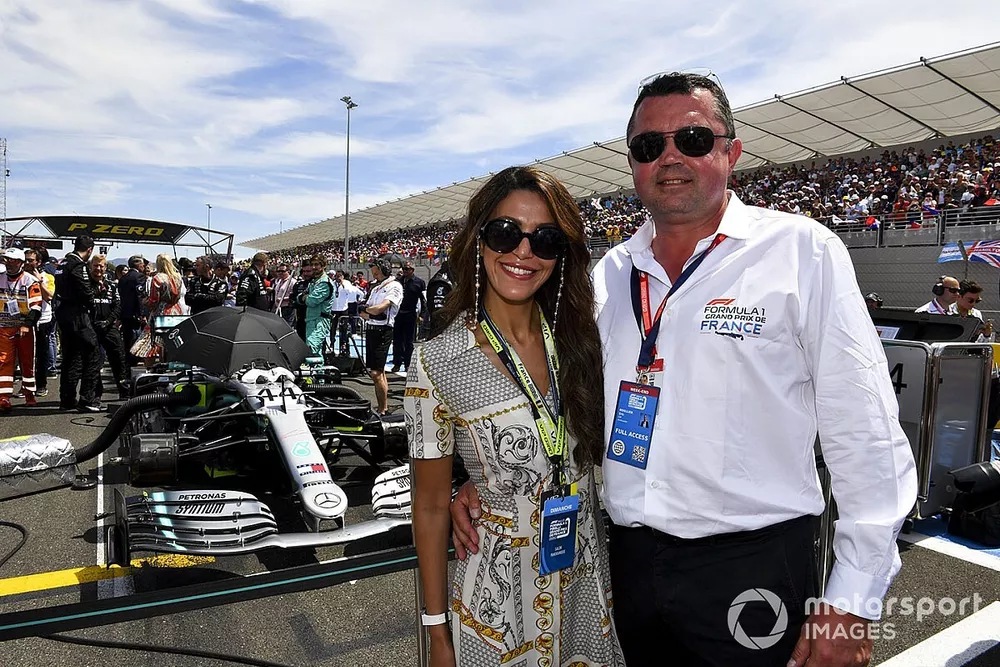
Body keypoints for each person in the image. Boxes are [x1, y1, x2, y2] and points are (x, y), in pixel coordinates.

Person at [452, 72, 917, 667]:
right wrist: (493, 476)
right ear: (634, 164)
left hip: (751, 563)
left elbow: (867, 433)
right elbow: (573, 410)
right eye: (650, 146)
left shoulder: (804, 251)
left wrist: (852, 601)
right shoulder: (610, 274)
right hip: (626, 563)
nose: (670, 157)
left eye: (693, 139)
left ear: (732, 151)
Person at [407, 166, 622, 667]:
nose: (523, 252)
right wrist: (437, 636)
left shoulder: (584, 343)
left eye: (544, 239)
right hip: (497, 610)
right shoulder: (436, 361)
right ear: (478, 240)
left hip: (586, 593)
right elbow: (432, 507)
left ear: (562, 254)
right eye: (506, 233)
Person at [56, 235, 101, 412]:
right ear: (89, 250)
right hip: (78, 315)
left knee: (70, 358)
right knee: (92, 354)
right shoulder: (78, 265)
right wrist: (93, 310)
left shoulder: (62, 264)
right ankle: (87, 400)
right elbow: (85, 291)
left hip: (63, 313)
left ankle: (67, 400)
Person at [0, 248, 42, 411]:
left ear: (21, 263)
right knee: (3, 362)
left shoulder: (30, 281)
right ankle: (3, 397)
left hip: (24, 328)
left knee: (27, 362)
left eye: (12, 260)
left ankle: (29, 393)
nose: (9, 263)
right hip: (4, 327)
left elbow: (37, 306)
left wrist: (27, 324)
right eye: (6, 260)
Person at [359, 259, 402, 414]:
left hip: (383, 330)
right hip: (371, 329)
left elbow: (379, 309)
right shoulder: (376, 288)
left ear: (384, 269)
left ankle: (383, 408)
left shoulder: (394, 286)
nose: (374, 274)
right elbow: (364, 312)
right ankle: (381, 406)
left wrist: (369, 310)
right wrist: (369, 311)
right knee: (378, 372)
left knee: (376, 373)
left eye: (376, 270)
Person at [89, 255, 129, 401]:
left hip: (109, 327)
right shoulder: (85, 285)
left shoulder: (112, 285)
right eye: (95, 265)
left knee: (119, 359)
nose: (98, 269)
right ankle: (96, 394)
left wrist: (108, 321)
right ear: (91, 266)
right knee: (94, 362)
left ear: (105, 267)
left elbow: (118, 306)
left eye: (101, 266)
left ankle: (124, 392)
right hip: (91, 328)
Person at [23, 248, 55, 398]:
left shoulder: (47, 276)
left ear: (38, 262)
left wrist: (39, 281)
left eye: (31, 260)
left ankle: (41, 385)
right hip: (23, 320)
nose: (27, 262)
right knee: (24, 354)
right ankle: (26, 386)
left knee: (41, 355)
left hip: (43, 320)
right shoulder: (19, 276)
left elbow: (49, 297)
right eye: (26, 259)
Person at [145, 254, 183, 366]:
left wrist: (145, 302)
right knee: (172, 342)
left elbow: (153, 300)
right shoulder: (178, 276)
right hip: (176, 311)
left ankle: (152, 372)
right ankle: (170, 367)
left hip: (161, 313)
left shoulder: (157, 278)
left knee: (150, 343)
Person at [391, 261, 426, 373]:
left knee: (409, 341)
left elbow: (423, 300)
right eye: (404, 269)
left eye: (407, 269)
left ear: (412, 270)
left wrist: (421, 315)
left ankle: (407, 364)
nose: (405, 271)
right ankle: (397, 363)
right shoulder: (398, 282)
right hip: (398, 314)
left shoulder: (419, 282)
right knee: (397, 340)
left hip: (410, 314)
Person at [299, 255, 333, 356]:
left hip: (319, 321)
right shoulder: (314, 282)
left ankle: (317, 371)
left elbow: (311, 301)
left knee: (312, 350)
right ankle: (317, 371)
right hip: (311, 320)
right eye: (312, 264)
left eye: (317, 264)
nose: (314, 267)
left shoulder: (324, 283)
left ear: (323, 266)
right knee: (314, 352)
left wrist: (305, 297)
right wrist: (304, 297)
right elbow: (298, 298)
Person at [118, 255, 146, 364]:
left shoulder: (123, 278)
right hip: (135, 314)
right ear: (138, 264)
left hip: (125, 313)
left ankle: (128, 363)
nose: (144, 266)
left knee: (127, 340)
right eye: (142, 264)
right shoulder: (139, 277)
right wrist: (142, 314)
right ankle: (134, 361)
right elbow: (139, 296)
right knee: (136, 340)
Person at [290, 262, 313, 342]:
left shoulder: (319, 284)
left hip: (314, 320)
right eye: (304, 271)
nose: (306, 274)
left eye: (308, 271)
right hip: (301, 318)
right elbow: (293, 300)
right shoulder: (298, 284)